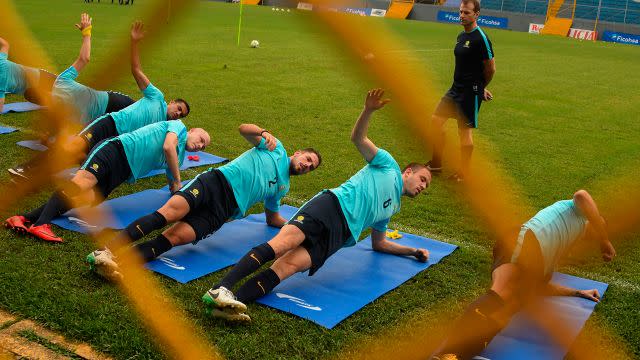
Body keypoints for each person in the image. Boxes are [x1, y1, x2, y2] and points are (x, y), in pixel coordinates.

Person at [202, 89, 432, 322]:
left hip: (340, 236)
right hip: (331, 206)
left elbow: (379, 243)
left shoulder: (393, 207)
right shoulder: (388, 165)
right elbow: (358, 139)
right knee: (281, 245)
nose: (423, 186)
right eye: (423, 179)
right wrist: (368, 110)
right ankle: (221, 287)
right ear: (408, 172)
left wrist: (412, 251)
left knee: (287, 268)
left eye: (427, 185)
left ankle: (229, 304)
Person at [86, 123, 322, 281]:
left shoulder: (284, 187)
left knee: (175, 238)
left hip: (226, 210)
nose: (306, 166)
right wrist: (263, 132)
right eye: (308, 159)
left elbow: (272, 217)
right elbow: (243, 129)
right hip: (215, 184)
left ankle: (118, 262)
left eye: (311, 168)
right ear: (299, 152)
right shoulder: (275, 147)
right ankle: (106, 250)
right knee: (167, 214)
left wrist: (294, 227)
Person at [430, 190, 616, 360]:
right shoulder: (578, 211)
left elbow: (540, 287)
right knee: (501, 293)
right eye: (599, 225)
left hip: (534, 254)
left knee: (509, 306)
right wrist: (605, 239)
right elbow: (582, 195)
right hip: (527, 239)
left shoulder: (563, 244)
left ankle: (461, 354)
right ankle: (448, 352)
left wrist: (578, 292)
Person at [7, 20, 189, 182]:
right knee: (79, 146)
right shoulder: (157, 98)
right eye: (179, 108)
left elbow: (86, 59)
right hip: (111, 113)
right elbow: (134, 69)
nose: (178, 113)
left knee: (83, 147)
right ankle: (38, 169)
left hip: (110, 109)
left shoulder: (164, 121)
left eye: (181, 113)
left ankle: (67, 170)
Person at [4, 121, 210, 242]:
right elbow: (167, 147)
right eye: (201, 139)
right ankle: (41, 224)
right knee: (81, 183)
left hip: (122, 171)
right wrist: (178, 179)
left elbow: (173, 182)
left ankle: (22, 218)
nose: (200, 146)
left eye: (203, 146)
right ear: (192, 130)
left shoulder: (180, 157)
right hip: (116, 150)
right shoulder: (179, 127)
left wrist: (180, 196)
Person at [425, 0, 495, 182]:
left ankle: (463, 173)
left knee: (464, 132)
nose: (462, 16)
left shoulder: (482, 39)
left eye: (466, 13)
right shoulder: (461, 36)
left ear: (476, 14)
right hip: (455, 89)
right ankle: (437, 162)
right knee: (435, 121)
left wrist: (480, 88)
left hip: (469, 93)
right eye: (461, 12)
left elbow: (490, 69)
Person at [0, 37, 57, 113]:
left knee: (68, 91)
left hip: (42, 79)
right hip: (34, 89)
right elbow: (5, 44)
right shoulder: (1, 60)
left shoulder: (1, 79)